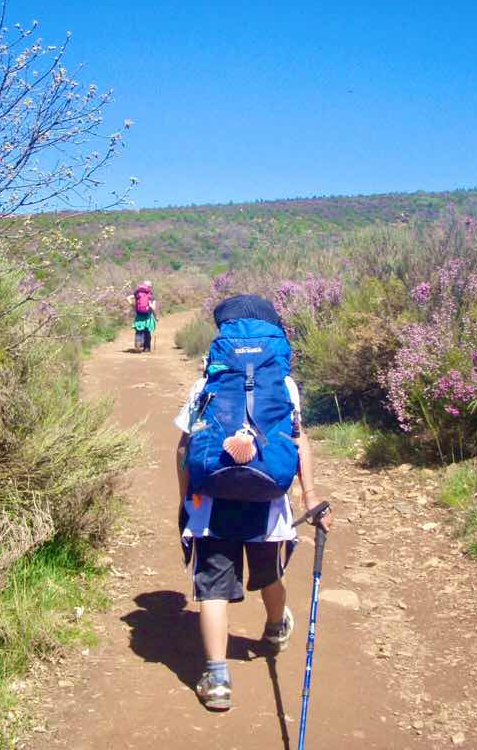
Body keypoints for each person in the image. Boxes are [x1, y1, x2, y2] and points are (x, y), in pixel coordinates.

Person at [173, 295, 331, 711]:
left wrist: (185, 500)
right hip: (268, 504)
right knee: (269, 574)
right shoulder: (283, 383)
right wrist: (309, 495)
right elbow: (299, 442)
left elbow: (184, 447)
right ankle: (276, 626)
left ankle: (217, 678)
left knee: (212, 590)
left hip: (211, 504)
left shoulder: (207, 381)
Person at [127, 280, 157, 352]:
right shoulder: (151, 296)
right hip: (148, 316)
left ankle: (138, 344)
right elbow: (153, 308)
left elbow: (128, 298)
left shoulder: (138, 294)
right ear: (150, 287)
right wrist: (156, 317)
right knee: (147, 332)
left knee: (139, 331)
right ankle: (147, 348)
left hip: (139, 316)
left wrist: (133, 306)